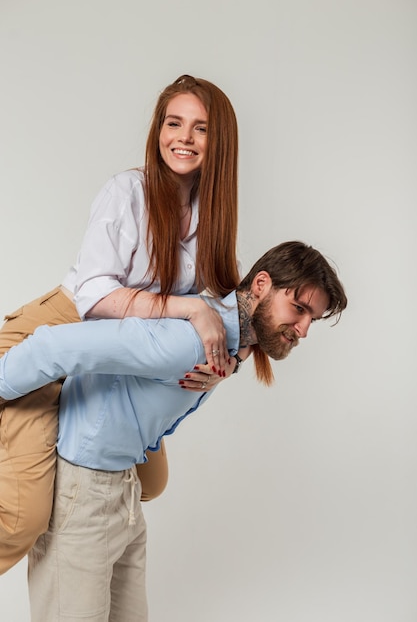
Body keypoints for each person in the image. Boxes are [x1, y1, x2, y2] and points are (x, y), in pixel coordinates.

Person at [0, 241, 347, 622]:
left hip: (123, 492)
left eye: (312, 318)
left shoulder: (224, 349)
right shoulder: (187, 341)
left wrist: (231, 365)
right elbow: (54, 347)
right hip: (83, 497)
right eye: (299, 309)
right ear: (261, 284)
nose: (303, 329)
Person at [0, 74, 240, 574]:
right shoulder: (126, 191)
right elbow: (95, 297)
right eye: (174, 123)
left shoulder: (211, 215)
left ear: (220, 143)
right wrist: (189, 309)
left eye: (200, 129)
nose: (184, 138)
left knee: (150, 483)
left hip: (112, 358)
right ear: (157, 130)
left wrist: (229, 362)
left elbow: (228, 306)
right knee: (22, 519)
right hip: (58, 332)